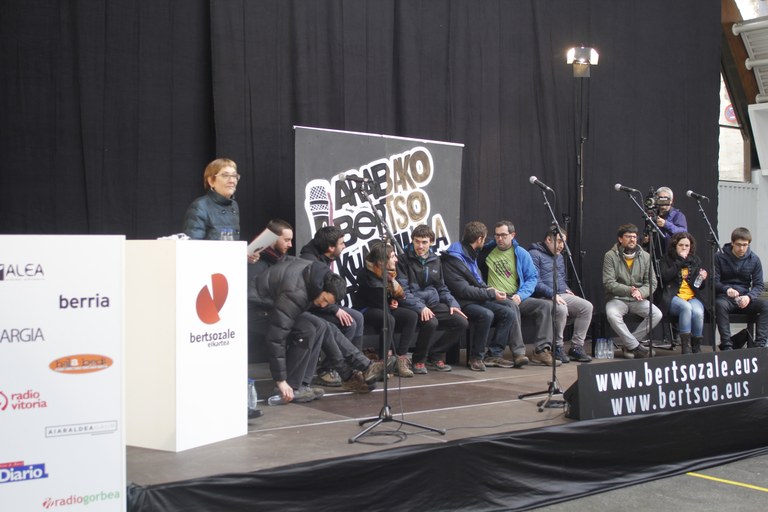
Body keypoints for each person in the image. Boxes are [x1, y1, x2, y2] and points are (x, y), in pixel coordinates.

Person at [250, 256, 384, 403]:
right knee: (306, 330)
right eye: (324, 300)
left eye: (328, 303)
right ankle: (293, 386)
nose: (323, 305)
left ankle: (309, 383)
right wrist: (280, 380)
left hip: (272, 303)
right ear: (321, 288)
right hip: (255, 310)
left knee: (321, 325)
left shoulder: (315, 275)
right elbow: (276, 338)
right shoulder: (296, 293)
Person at [442, 221, 529, 371]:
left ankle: (494, 354)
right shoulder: (454, 258)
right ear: (480, 239)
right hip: (460, 302)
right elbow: (463, 291)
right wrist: (490, 293)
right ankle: (476, 358)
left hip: (474, 298)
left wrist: (490, 289)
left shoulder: (470, 253)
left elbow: (477, 281)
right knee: (486, 314)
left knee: (508, 312)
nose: (495, 239)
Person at [479, 221, 560, 366]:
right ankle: (518, 353)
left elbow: (532, 278)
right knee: (511, 306)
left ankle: (541, 351)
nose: (499, 239)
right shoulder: (486, 251)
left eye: (503, 235)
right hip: (496, 297)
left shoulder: (521, 253)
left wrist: (520, 295)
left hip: (516, 295)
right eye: (497, 235)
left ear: (512, 235)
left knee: (546, 305)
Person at [397, 224, 469, 374]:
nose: (420, 246)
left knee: (461, 321)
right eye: (417, 241)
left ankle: (435, 354)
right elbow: (403, 292)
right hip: (414, 305)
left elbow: (442, 287)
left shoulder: (435, 259)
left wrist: (453, 303)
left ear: (431, 242)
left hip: (433, 303)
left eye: (424, 242)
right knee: (431, 322)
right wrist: (421, 307)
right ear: (412, 241)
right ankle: (418, 360)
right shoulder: (403, 260)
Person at [300, 226, 366, 386]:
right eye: (341, 243)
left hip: (323, 306)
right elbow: (314, 298)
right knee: (349, 323)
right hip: (310, 309)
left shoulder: (322, 257)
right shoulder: (313, 263)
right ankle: (326, 370)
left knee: (358, 317)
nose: (344, 246)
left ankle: (356, 367)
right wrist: (335, 309)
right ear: (330, 247)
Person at [354, 241, 419, 377]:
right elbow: (379, 302)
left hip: (382, 305)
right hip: (366, 309)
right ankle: (383, 363)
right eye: (393, 256)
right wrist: (388, 302)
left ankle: (401, 359)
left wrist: (393, 300)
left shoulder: (388, 273)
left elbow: (390, 296)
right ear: (382, 261)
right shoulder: (369, 276)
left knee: (411, 316)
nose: (396, 259)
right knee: (388, 319)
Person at [528, 227, 593, 363]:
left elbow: (561, 279)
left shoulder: (559, 257)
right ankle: (557, 347)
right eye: (558, 241)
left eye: (563, 242)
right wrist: (551, 294)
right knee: (561, 308)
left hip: (560, 294)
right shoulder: (534, 254)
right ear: (548, 239)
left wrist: (566, 289)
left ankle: (576, 347)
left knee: (587, 306)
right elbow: (534, 282)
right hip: (542, 296)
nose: (562, 245)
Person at [603, 223, 662, 358]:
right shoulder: (610, 256)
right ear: (620, 239)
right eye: (628, 236)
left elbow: (652, 282)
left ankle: (629, 344)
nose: (632, 240)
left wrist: (641, 292)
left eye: (634, 237)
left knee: (656, 314)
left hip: (638, 299)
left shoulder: (645, 256)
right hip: (617, 298)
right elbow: (608, 283)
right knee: (612, 315)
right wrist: (629, 290)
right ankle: (635, 346)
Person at [714, 227, 768, 349]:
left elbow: (759, 284)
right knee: (720, 305)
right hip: (725, 298)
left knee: (766, 305)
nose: (742, 248)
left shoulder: (754, 259)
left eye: (745, 245)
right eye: (738, 245)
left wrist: (749, 297)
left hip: (744, 298)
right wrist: (726, 289)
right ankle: (727, 345)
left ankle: (760, 345)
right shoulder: (719, 257)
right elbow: (714, 282)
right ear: (732, 243)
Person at [659, 232, 708, 354]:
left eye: (687, 245)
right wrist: (680, 260)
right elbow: (666, 276)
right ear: (675, 246)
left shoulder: (695, 260)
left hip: (692, 296)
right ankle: (685, 346)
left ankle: (696, 346)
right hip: (674, 297)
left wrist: (702, 278)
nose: (684, 248)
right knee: (686, 307)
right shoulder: (666, 259)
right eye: (681, 245)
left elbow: (699, 287)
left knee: (698, 311)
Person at [183, 158, 241, 240]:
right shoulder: (200, 206)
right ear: (211, 181)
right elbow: (193, 244)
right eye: (225, 175)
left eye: (234, 176)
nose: (232, 180)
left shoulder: (234, 205)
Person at [643, 186, 688, 259]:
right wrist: (645, 241)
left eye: (665, 198)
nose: (663, 201)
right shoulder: (652, 214)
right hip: (653, 257)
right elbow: (646, 234)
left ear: (671, 201)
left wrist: (666, 224)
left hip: (671, 257)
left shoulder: (678, 215)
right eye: (660, 198)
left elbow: (684, 234)